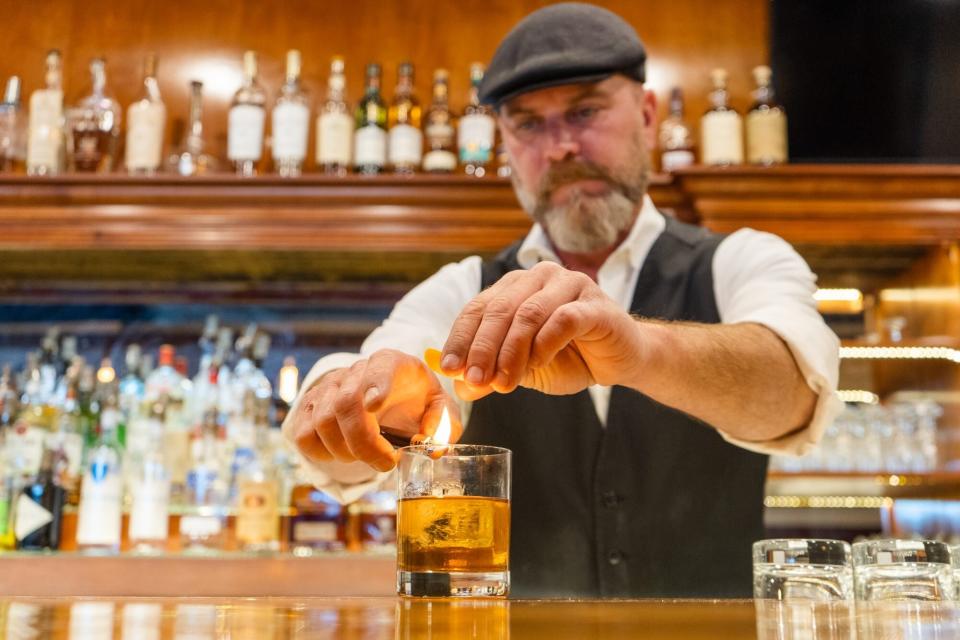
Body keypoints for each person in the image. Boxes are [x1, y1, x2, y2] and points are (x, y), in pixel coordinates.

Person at [284, 2, 840, 598]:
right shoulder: (460, 288)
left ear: (648, 116)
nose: (559, 148)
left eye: (585, 111)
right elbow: (356, 419)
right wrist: (362, 402)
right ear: (503, 143)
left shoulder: (742, 260)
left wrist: (641, 350)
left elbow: (793, 393)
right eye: (528, 123)